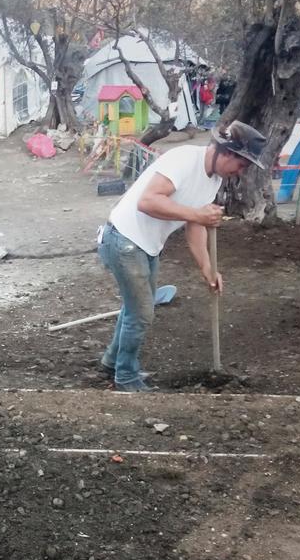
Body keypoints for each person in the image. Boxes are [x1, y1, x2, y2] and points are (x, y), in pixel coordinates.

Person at [97, 120, 267, 392]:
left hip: (147, 245)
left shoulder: (214, 180)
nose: (240, 172)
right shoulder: (184, 160)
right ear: (227, 152)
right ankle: (126, 377)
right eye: (242, 164)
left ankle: (111, 363)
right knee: (141, 313)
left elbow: (195, 226)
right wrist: (196, 214)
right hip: (125, 239)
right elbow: (148, 201)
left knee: (136, 309)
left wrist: (208, 268)